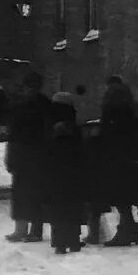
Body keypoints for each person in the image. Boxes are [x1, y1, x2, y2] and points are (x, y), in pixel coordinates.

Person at [96, 76, 138, 247]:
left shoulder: (111, 106)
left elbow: (106, 131)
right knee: (125, 197)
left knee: (121, 198)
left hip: (116, 156)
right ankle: (132, 230)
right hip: (131, 156)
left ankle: (127, 231)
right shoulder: (132, 105)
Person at [4, 71, 51, 243]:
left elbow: (13, 133)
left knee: (23, 193)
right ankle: (32, 230)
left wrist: (10, 155)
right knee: (34, 193)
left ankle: (23, 229)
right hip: (35, 154)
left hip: (25, 154)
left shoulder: (21, 105)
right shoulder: (44, 104)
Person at [43, 92, 88, 253]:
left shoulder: (49, 123)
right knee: (72, 205)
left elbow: (46, 148)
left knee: (57, 206)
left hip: (54, 171)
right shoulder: (73, 125)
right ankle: (73, 239)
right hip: (73, 172)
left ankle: (59, 241)